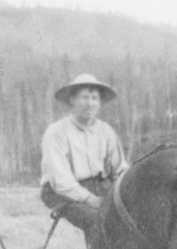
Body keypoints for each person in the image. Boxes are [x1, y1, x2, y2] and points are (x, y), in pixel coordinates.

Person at [39, 74, 128, 238]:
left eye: (95, 98)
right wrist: (91, 200)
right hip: (62, 192)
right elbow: (60, 180)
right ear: (72, 100)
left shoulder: (105, 131)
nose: (90, 103)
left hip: (98, 186)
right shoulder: (57, 132)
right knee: (99, 221)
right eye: (84, 97)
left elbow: (119, 169)